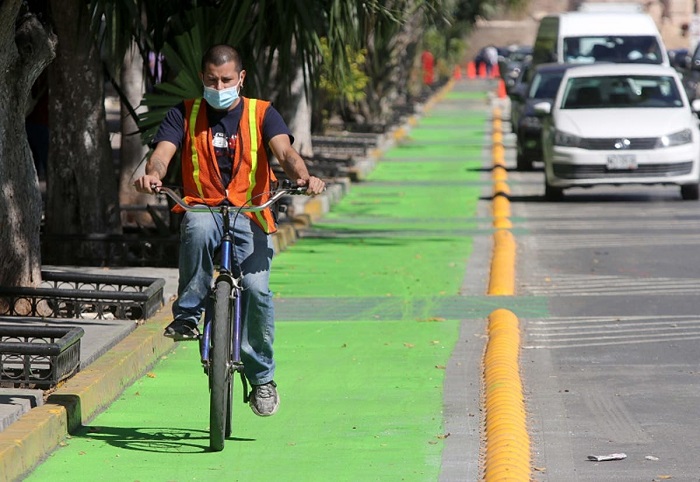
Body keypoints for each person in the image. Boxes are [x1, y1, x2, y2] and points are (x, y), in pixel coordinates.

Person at [134, 44, 325, 417]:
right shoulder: (184, 113)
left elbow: (285, 152)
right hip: (204, 205)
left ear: (240, 78)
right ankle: (188, 315)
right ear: (202, 77)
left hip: (250, 213)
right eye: (210, 79)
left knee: (256, 289)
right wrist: (153, 175)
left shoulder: (261, 113)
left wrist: (303, 177)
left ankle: (263, 379)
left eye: (225, 79)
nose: (217, 86)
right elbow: (162, 153)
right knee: (197, 226)